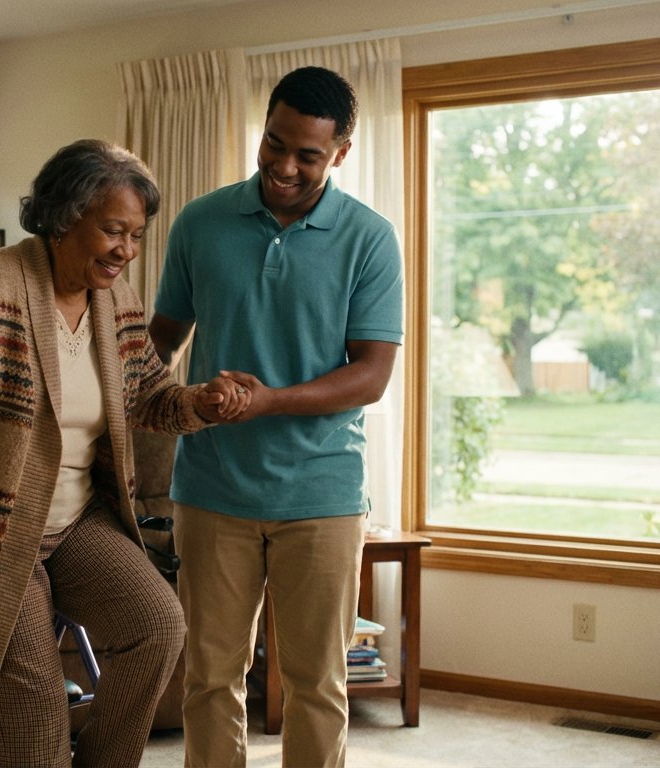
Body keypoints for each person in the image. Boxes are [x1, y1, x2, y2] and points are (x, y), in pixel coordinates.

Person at [0, 138, 252, 767]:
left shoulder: (118, 302)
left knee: (158, 626)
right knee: (36, 706)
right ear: (64, 215)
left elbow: (148, 399)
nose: (126, 250)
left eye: (136, 235)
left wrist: (201, 404)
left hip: (76, 522)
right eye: (112, 230)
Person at [148, 66, 405, 768]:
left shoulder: (370, 239)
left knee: (316, 684)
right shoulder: (201, 222)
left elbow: (372, 375)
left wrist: (268, 401)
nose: (284, 167)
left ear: (341, 154)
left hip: (320, 493)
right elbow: (161, 339)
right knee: (208, 679)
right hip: (210, 489)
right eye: (274, 144)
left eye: (308, 155)